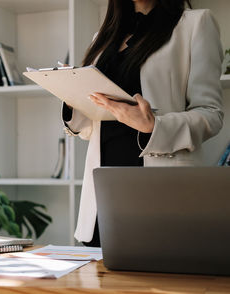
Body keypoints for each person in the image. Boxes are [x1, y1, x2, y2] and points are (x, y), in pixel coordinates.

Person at [61, 0, 224, 247]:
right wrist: (72, 98)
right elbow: (91, 127)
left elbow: (211, 114)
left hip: (159, 189)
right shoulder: (101, 38)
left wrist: (154, 127)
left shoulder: (196, 23)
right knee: (101, 280)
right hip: (103, 190)